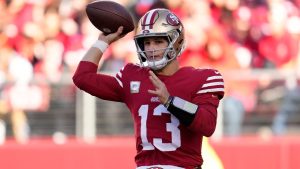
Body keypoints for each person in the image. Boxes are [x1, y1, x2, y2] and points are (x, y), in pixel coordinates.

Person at [73, 8, 224, 169]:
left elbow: (207, 125)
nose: (151, 48)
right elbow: (82, 77)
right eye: (147, 42)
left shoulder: (202, 78)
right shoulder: (133, 76)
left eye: (158, 41)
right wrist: (102, 42)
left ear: (176, 41)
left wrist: (171, 102)